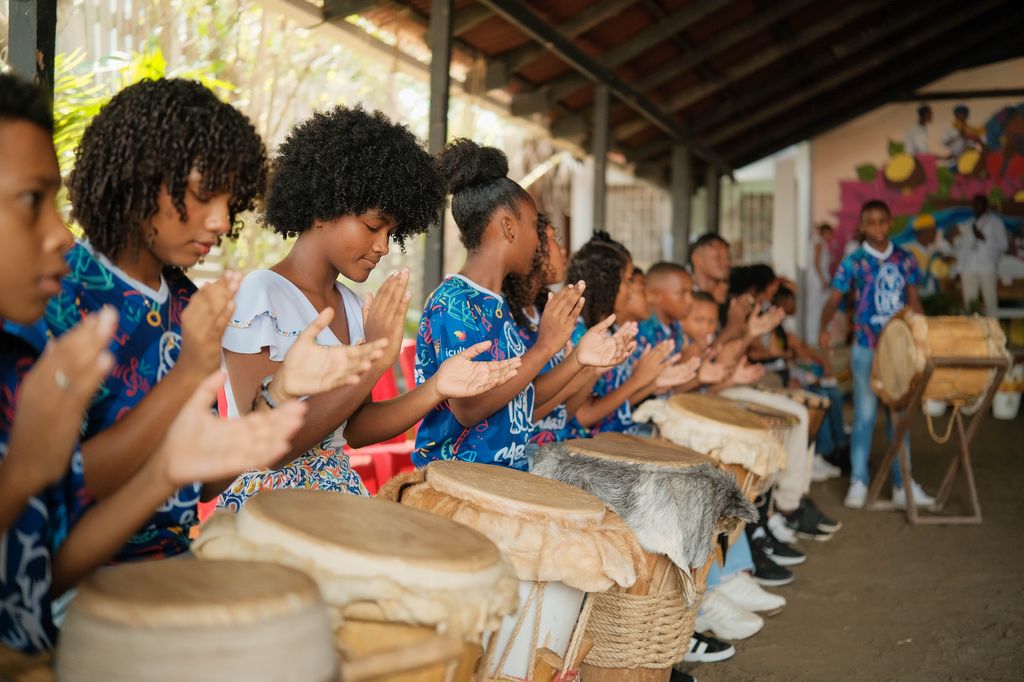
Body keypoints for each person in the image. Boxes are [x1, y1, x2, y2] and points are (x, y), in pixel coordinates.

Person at [0, 73, 307, 654]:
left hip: (170, 562)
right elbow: (60, 481)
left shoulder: (189, 301)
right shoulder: (58, 293)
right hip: (84, 584)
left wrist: (280, 393)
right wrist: (188, 379)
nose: (220, 220)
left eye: (229, 200)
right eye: (202, 194)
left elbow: (201, 471)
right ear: (142, 180)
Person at [219, 108, 521, 507]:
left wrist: (436, 389)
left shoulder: (350, 304)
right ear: (323, 208)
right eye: (372, 226)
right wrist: (372, 362)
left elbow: (355, 430)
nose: (382, 246)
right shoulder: (261, 295)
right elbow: (271, 447)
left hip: (337, 495)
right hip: (270, 505)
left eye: (391, 232)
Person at [414, 140, 614, 470]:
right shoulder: (453, 302)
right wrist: (546, 346)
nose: (537, 242)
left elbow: (523, 401)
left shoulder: (499, 305)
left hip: (510, 471)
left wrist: (578, 359)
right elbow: (468, 410)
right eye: (533, 225)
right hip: (458, 477)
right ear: (508, 226)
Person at [820, 199, 933, 509]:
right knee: (865, 416)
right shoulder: (854, 261)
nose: (878, 229)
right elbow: (834, 299)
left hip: (901, 351)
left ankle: (902, 483)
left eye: (883, 222)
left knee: (899, 418)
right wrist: (823, 327)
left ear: (890, 223)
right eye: (871, 223)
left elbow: (914, 302)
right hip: (866, 347)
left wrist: (925, 336)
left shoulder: (905, 259)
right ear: (862, 226)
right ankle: (859, 481)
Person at [503, 214, 636, 448]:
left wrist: (587, 373)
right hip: (526, 450)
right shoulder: (507, 315)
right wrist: (582, 370)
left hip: (555, 446)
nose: (563, 251)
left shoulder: (545, 311)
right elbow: (520, 412)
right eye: (552, 240)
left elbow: (564, 413)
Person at [566, 233, 698, 436]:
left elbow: (617, 400)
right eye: (628, 281)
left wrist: (652, 382)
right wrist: (639, 380)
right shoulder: (578, 334)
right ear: (607, 282)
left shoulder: (610, 330)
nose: (632, 291)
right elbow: (583, 416)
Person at [949, 195, 1008, 315]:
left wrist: (984, 238)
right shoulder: (969, 223)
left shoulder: (995, 223)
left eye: (979, 204)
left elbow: (1004, 245)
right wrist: (954, 240)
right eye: (974, 205)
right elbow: (962, 246)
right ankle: (973, 331)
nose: (976, 207)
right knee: (969, 303)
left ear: (986, 206)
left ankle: (993, 331)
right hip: (968, 267)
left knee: (990, 301)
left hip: (986, 266)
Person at [903, 214, 953, 299]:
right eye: (931, 231)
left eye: (934, 230)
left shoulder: (934, 249)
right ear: (919, 234)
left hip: (934, 296)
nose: (935, 234)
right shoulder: (908, 252)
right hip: (918, 298)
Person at [806, 223, 834, 343]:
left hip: (820, 279)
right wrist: (822, 279)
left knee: (819, 308)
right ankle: (812, 338)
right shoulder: (819, 242)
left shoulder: (821, 243)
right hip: (818, 280)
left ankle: (817, 337)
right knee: (815, 310)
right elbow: (816, 262)